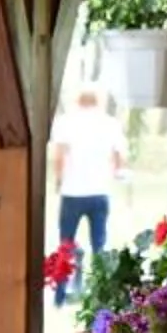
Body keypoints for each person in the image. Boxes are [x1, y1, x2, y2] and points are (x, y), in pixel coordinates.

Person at [49, 86, 127, 275]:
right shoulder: (110, 123)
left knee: (66, 242)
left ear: (77, 101)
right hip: (100, 190)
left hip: (72, 191)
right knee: (99, 242)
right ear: (98, 101)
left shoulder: (66, 122)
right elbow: (119, 155)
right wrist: (116, 173)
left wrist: (59, 180)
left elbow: (59, 156)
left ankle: (63, 287)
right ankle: (99, 283)